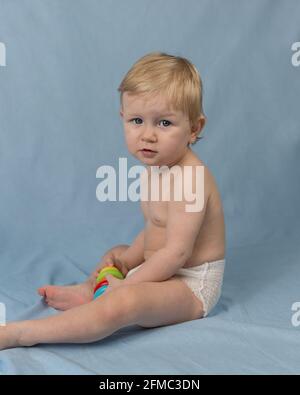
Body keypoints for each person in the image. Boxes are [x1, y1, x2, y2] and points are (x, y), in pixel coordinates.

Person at [0, 52, 226, 350]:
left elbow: (175, 253)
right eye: (137, 120)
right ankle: (89, 290)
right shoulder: (156, 167)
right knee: (118, 252)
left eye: (164, 123)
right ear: (123, 118)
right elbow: (156, 227)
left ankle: (23, 333)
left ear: (194, 129)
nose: (147, 135)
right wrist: (128, 259)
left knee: (125, 301)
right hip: (162, 266)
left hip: (190, 284)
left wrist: (127, 284)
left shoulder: (190, 179)